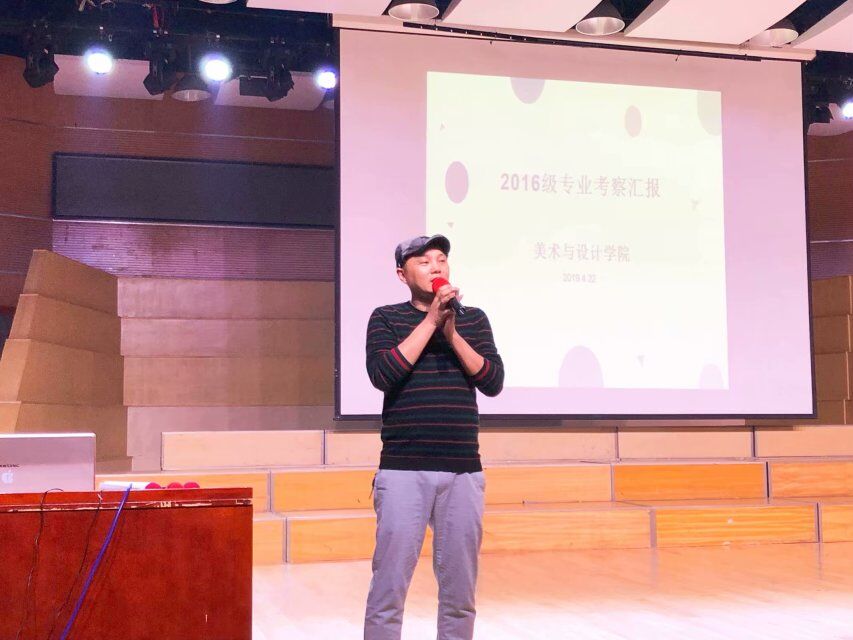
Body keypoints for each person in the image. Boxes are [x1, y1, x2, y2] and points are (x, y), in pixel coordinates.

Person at [363, 234, 504, 640]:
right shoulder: (386, 318)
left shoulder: (473, 319)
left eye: (441, 259)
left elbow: (492, 381)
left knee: (460, 594)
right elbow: (383, 375)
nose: (436, 267)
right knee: (388, 590)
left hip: (463, 471)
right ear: (401, 274)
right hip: (404, 469)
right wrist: (430, 323)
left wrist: (452, 332)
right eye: (423, 261)